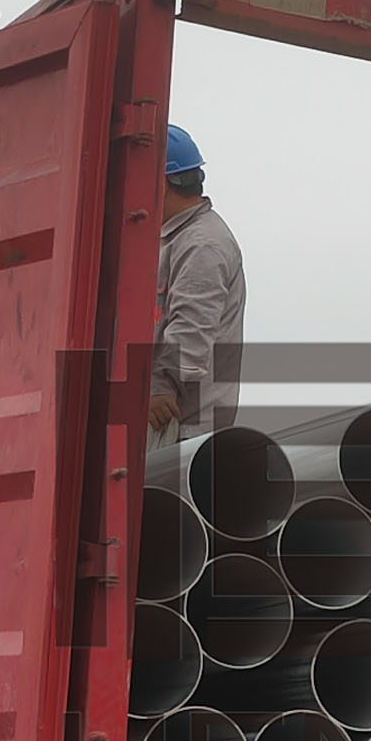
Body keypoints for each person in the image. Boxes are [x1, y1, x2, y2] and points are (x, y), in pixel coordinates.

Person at [148, 124, 245, 486]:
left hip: (180, 428)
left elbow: (191, 329)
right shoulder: (177, 237)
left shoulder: (202, 244)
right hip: (172, 425)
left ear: (160, 183)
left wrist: (160, 387)